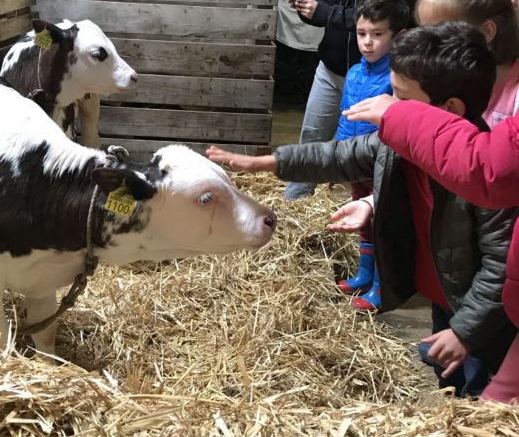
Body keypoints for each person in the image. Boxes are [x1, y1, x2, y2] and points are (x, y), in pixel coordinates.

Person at [208, 22, 516, 397]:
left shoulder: (486, 179)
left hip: (483, 312)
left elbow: (500, 267)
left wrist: (466, 332)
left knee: (479, 389)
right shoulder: (399, 141)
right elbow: (339, 156)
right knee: (448, 380)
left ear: (449, 109)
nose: (386, 107)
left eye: (401, 99)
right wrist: (268, 163)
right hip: (444, 294)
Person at [283, 0, 422, 201]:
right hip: (331, 69)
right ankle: (294, 204)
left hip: (378, 75)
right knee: (312, 137)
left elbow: (380, 18)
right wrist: (306, 8)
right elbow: (329, 9)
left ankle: (368, 211)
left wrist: (325, 11)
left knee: (370, 147)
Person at [333, 0, 409, 310]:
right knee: (362, 221)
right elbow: (345, 116)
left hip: (382, 164)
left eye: (378, 35)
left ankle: (380, 285)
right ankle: (364, 274)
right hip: (355, 161)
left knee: (382, 224)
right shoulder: (353, 73)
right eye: (362, 34)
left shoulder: (398, 78)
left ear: (398, 36)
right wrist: (337, 157)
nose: (368, 42)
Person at [414, 0, 519, 129]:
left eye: (441, 33)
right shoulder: (439, 79)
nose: (425, 46)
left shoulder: (515, 96)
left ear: (486, 31)